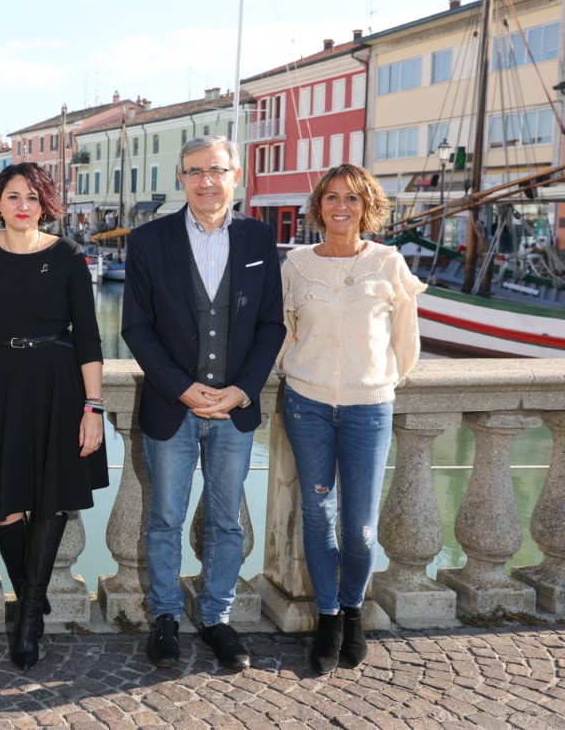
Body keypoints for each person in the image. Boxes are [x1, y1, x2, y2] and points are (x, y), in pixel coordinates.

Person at [121, 135, 284, 673]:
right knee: (165, 517)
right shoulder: (148, 241)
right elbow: (137, 329)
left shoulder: (262, 238)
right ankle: (166, 615)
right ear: (181, 179)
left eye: (217, 170)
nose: (207, 181)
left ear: (237, 176)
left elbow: (270, 326)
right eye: (195, 171)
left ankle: (215, 617)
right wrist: (181, 387)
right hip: (174, 407)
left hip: (235, 408)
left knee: (227, 520)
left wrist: (243, 389)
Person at [0, 162, 107, 671]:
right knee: (3, 507)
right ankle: (31, 600)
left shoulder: (67, 255)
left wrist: (93, 407)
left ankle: (28, 615)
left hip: (58, 382)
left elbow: (88, 337)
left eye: (32, 198)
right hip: (0, 380)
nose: (22, 206)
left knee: (52, 500)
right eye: (13, 196)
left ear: (45, 205)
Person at [278, 164, 424, 675]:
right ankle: (328, 618)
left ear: (368, 207)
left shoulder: (388, 263)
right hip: (306, 404)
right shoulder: (295, 266)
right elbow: (284, 333)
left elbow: (406, 342)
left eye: (353, 198)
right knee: (318, 516)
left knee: (360, 527)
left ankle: (354, 612)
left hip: (368, 408)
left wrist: (376, 384)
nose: (342, 206)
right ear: (319, 206)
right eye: (332, 197)